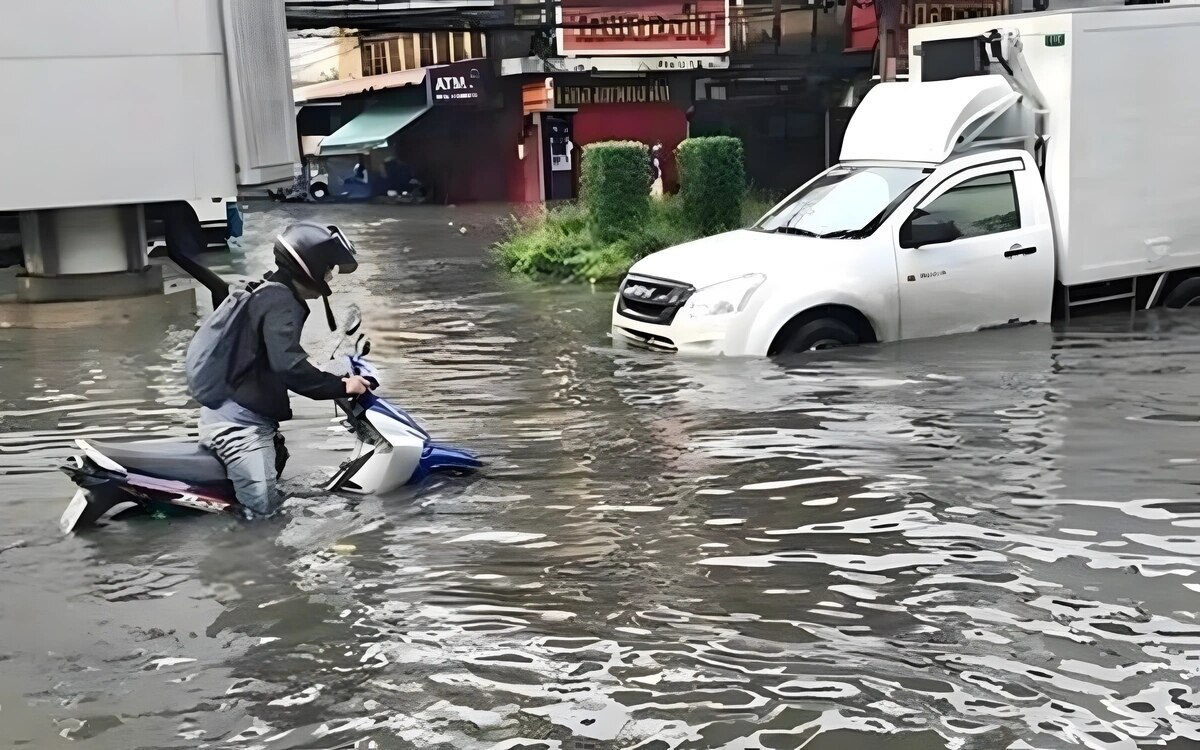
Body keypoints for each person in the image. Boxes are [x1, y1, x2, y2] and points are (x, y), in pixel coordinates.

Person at [197, 222, 373, 518]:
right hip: (241, 430)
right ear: (312, 267)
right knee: (263, 521)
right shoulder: (280, 300)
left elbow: (277, 358)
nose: (330, 276)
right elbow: (288, 367)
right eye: (328, 268)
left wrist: (331, 375)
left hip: (231, 416)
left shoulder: (265, 292)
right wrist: (343, 386)